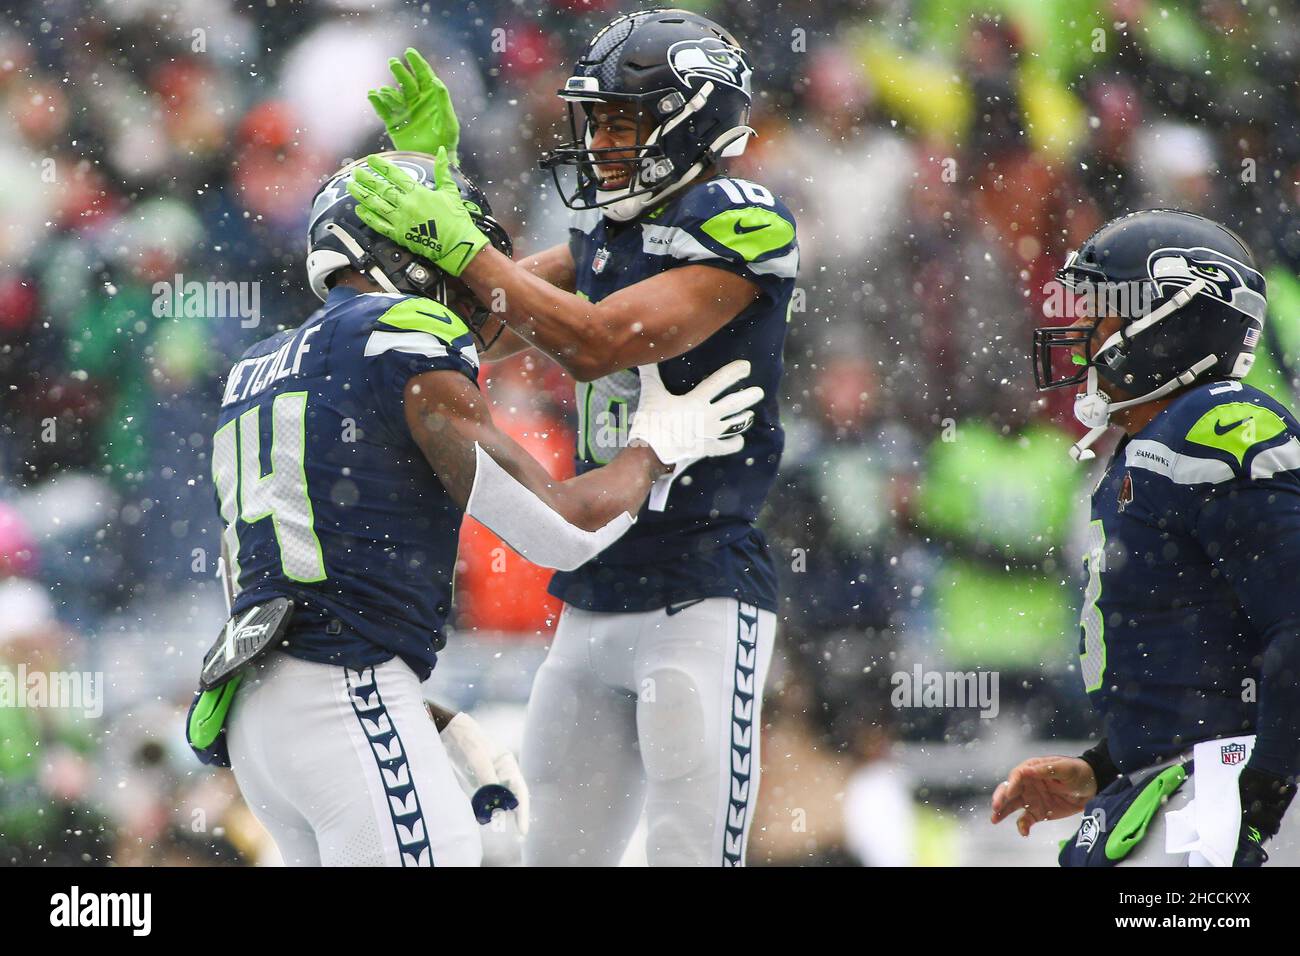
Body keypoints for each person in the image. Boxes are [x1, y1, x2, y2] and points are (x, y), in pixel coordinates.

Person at [184, 150, 763, 867]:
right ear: (404, 253)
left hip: (261, 718)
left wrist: (419, 719)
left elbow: (286, 583)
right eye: (448, 253)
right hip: (345, 689)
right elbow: (560, 528)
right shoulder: (397, 337)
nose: (471, 289)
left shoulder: (260, 362)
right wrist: (655, 450)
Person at [356, 9, 797, 866]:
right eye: (596, 122)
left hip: (698, 590)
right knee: (550, 856)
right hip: (594, 588)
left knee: (690, 856)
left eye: (622, 122)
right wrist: (437, 184)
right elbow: (467, 327)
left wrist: (463, 245)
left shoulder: (739, 218)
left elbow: (597, 343)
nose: (600, 144)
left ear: (691, 120)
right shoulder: (608, 234)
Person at [992, 209, 1299, 866]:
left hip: (1220, 795)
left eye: (1102, 312)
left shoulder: (1221, 425)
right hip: (1172, 787)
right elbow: (1195, 660)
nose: (1081, 332)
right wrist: (1104, 767)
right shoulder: (1148, 448)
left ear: (1168, 320)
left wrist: (1264, 793)